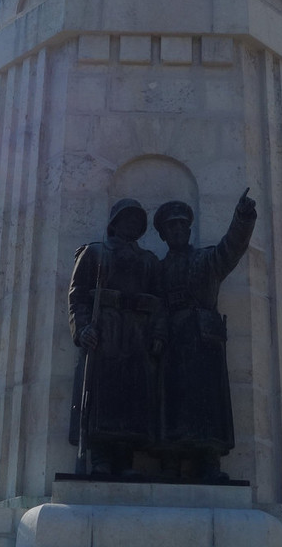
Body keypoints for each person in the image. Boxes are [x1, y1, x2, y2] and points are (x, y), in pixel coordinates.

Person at [153, 191, 255, 481]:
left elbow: (232, 248)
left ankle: (208, 462)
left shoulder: (206, 259)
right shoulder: (158, 270)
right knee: (170, 400)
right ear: (163, 235)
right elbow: (156, 306)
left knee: (208, 401)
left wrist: (242, 218)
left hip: (203, 339)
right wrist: (158, 335)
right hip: (172, 340)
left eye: (181, 225)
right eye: (170, 227)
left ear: (189, 229)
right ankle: (169, 461)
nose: (177, 230)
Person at [68, 198, 164, 475]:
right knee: (102, 395)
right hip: (105, 331)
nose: (132, 224)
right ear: (115, 223)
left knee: (132, 396)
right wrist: (82, 328)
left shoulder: (149, 261)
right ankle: (100, 458)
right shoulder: (94, 253)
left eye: (137, 221)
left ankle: (126, 459)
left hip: (136, 335)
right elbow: (77, 297)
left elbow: (160, 304)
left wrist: (158, 333)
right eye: (127, 219)